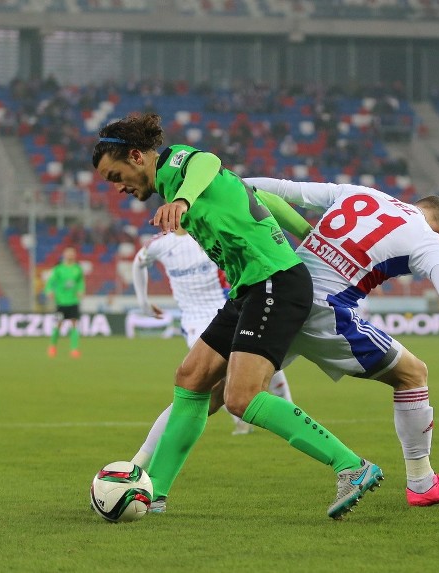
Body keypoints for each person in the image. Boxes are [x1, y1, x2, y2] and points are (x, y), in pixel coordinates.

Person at [93, 113, 382, 519]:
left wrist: (183, 199)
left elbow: (207, 160)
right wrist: (311, 238)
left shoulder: (180, 166)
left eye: (114, 175)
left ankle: (351, 466)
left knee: (241, 398)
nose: (118, 187)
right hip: (250, 287)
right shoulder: (182, 187)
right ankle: (154, 491)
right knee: (191, 379)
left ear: (137, 156)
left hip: (274, 282)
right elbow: (264, 198)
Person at [245, 176, 439, 506]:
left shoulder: (363, 194)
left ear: (417, 206)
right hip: (321, 310)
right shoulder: (430, 241)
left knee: (210, 388)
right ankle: (421, 482)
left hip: (277, 295)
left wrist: (218, 180)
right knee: (413, 375)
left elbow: (286, 189)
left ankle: (171, 482)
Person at [130, 227, 294, 447]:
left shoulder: (209, 233)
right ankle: (241, 421)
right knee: (214, 376)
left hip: (227, 308)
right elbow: (138, 262)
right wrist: (143, 303)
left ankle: (290, 415)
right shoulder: (160, 244)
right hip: (194, 319)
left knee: (268, 364)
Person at [44, 246, 85, 358]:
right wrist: (49, 291)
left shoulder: (77, 269)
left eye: (72, 253)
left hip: (73, 301)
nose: (70, 255)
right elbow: (50, 282)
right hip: (61, 302)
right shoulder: (59, 269)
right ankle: (52, 347)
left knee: (74, 325)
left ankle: (74, 349)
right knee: (58, 324)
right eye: (68, 253)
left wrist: (81, 291)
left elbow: (81, 282)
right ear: (64, 255)